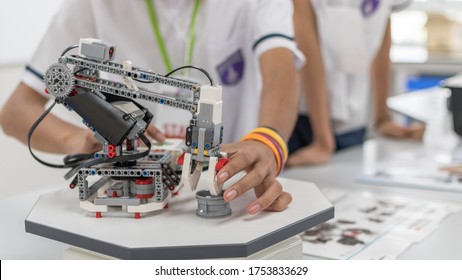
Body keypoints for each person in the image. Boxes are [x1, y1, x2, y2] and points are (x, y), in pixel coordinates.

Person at [0, 0, 303, 214]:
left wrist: (267, 140)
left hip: (228, 184)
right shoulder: (90, 5)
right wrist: (83, 140)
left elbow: (280, 67)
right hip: (136, 198)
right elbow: (16, 112)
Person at [288, 0, 425, 167]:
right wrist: (322, 141)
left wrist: (382, 119)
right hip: (303, 121)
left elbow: (381, 33)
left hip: (353, 124)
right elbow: (307, 53)